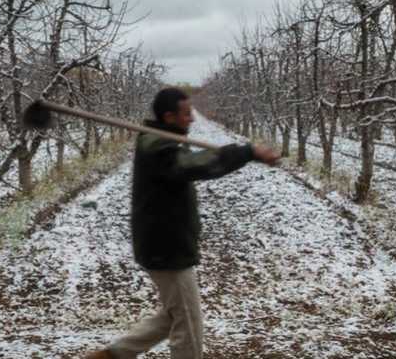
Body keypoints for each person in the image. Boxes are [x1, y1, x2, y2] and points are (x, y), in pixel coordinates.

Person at [85, 87, 280, 359]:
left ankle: (113, 355)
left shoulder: (164, 141)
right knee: (188, 326)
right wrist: (247, 152)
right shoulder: (158, 147)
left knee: (174, 314)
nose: (192, 119)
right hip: (167, 248)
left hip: (165, 244)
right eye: (186, 114)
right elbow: (194, 164)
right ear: (168, 117)